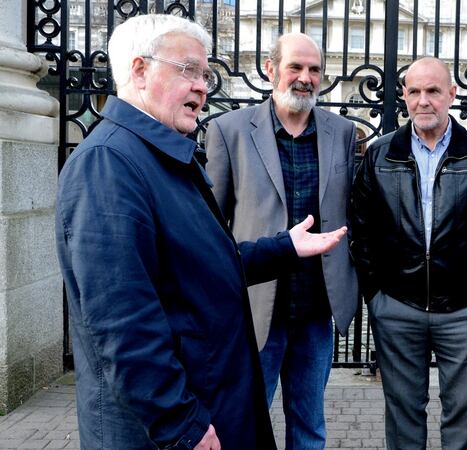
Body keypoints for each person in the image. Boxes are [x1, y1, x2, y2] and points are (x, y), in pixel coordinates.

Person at [55, 14, 347, 450]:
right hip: (164, 431)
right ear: (139, 70)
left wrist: (283, 248)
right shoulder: (109, 165)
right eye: (188, 70)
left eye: (204, 73)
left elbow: (202, 266)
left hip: (209, 403)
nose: (202, 86)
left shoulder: (161, 155)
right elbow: (122, 324)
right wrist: (181, 424)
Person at [204, 32, 358, 450]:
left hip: (315, 309)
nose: (305, 77)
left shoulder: (342, 132)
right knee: (243, 423)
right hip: (255, 307)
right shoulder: (228, 130)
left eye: (314, 69)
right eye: (295, 66)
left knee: (309, 426)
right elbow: (213, 227)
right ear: (271, 69)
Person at [350, 56, 467, 450]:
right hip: (397, 305)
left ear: (452, 95)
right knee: (403, 413)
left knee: (462, 412)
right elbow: (361, 227)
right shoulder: (381, 153)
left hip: (465, 307)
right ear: (403, 96)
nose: (424, 101)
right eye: (415, 91)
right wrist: (376, 294)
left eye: (433, 91)